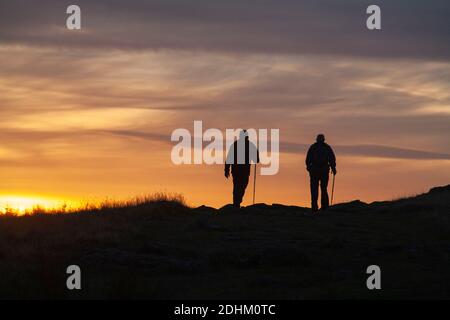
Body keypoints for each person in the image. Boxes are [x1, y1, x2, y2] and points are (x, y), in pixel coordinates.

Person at [225, 130, 259, 208]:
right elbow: (256, 160)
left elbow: (229, 158)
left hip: (238, 170)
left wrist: (226, 170)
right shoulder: (249, 145)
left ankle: (236, 202)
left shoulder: (236, 145)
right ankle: (237, 203)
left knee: (238, 186)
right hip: (243, 171)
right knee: (241, 186)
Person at [305, 134, 336, 212]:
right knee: (316, 189)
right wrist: (309, 168)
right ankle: (316, 207)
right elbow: (308, 160)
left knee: (321, 189)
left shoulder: (323, 148)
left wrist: (333, 168)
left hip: (322, 170)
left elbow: (331, 159)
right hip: (316, 170)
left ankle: (323, 207)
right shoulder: (317, 148)